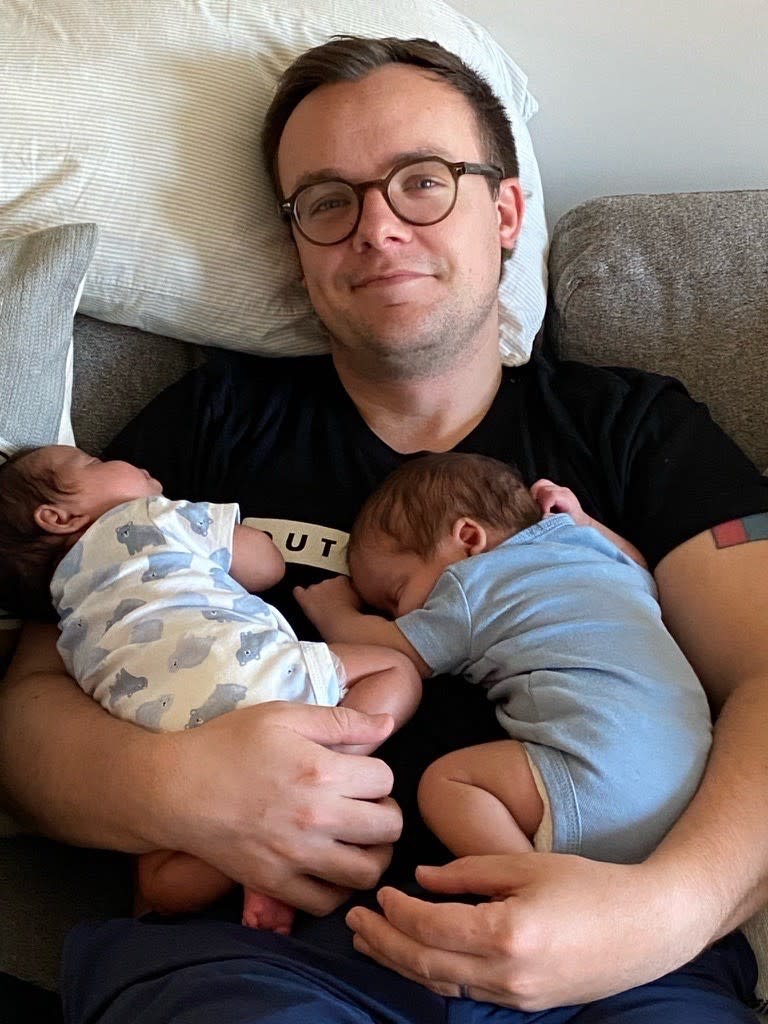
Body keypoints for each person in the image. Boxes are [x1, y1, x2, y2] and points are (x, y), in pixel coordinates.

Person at [1, 34, 767, 1024]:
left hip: (617, 967)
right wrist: (172, 785)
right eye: (329, 201)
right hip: (262, 959)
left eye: (422, 181)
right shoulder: (204, 429)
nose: (376, 227)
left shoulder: (632, 429)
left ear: (504, 213)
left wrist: (661, 915)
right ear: (298, 245)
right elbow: (23, 710)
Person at [0, 443, 420, 934]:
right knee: (393, 670)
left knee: (162, 883)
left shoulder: (65, 615)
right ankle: (333, 759)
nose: (125, 461)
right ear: (55, 515)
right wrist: (250, 539)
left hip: (173, 733)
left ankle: (248, 859)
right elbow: (266, 567)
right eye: (92, 464)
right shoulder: (149, 516)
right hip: (261, 677)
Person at [295, 451, 712, 868]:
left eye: (398, 593)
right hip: (691, 787)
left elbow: (396, 649)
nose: (402, 615)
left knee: (446, 784)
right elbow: (640, 568)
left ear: (469, 540)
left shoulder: (470, 585)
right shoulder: (586, 547)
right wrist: (583, 518)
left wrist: (334, 612)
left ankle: (531, 883)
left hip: (597, 784)